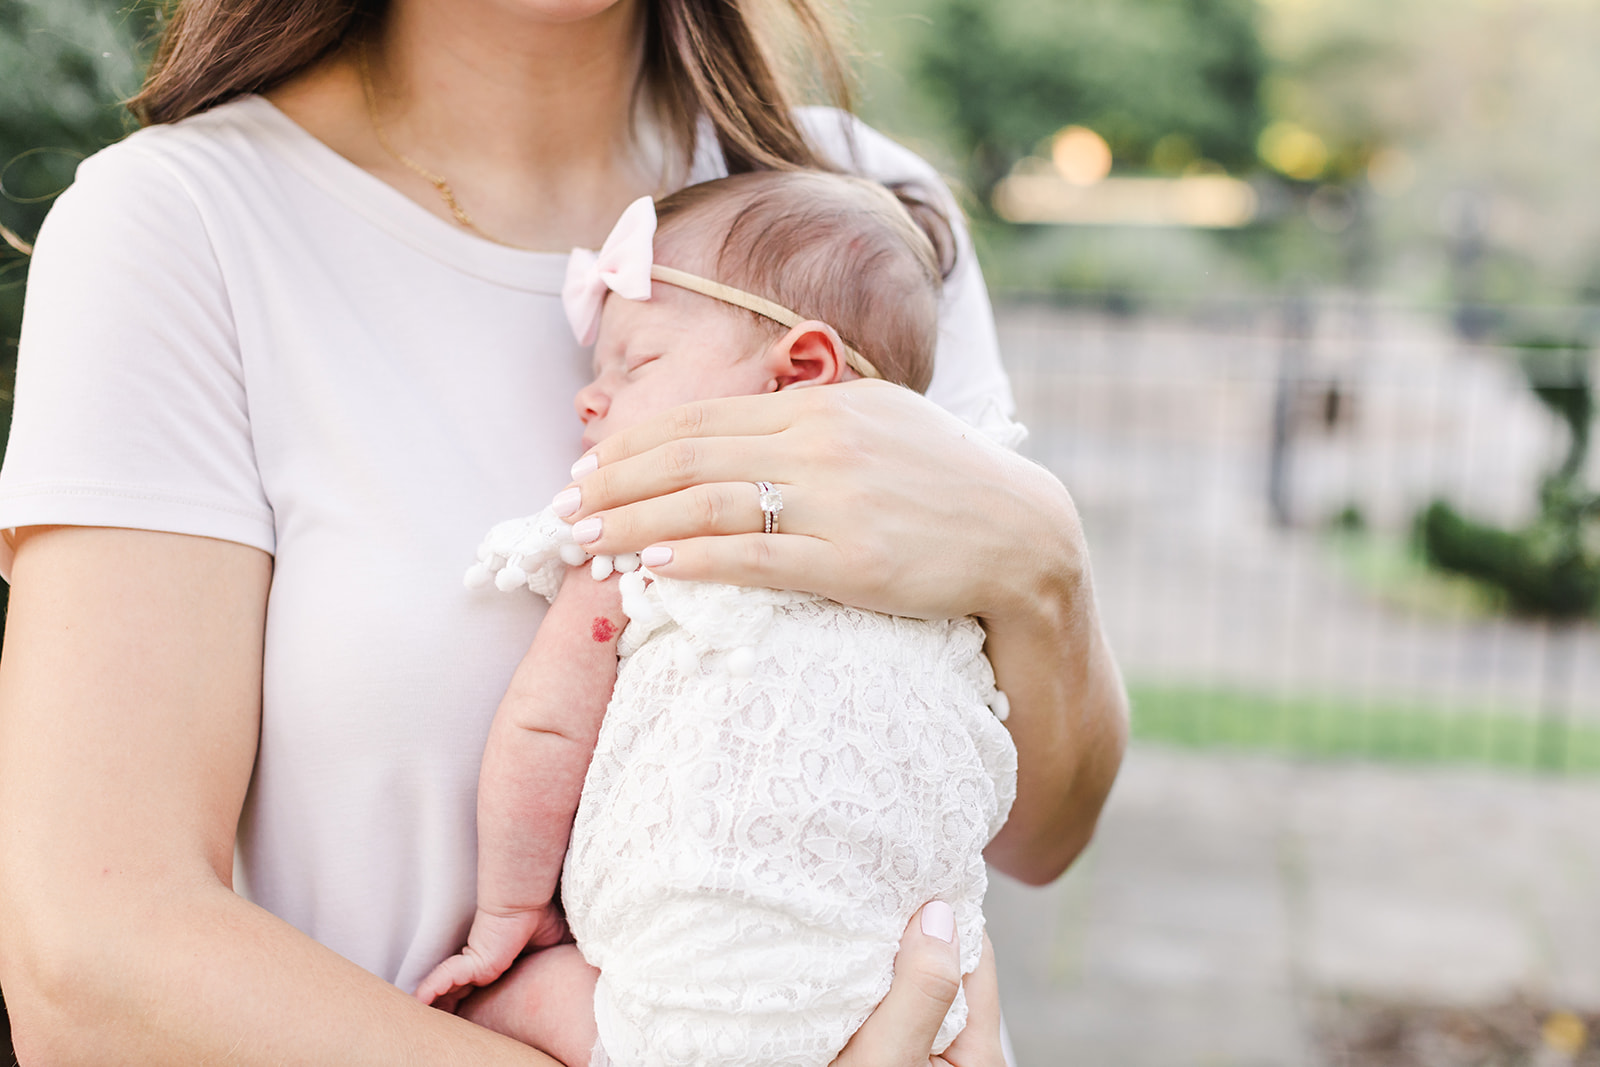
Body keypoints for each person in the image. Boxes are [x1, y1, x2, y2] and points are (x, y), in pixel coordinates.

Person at [0, 0, 1128, 1061]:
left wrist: (1042, 563)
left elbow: (1037, 833)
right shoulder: (185, 226)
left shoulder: (854, 210)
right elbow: (89, 965)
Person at [415, 173, 1019, 1067]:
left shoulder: (646, 533)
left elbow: (545, 727)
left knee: (507, 1004)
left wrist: (510, 914)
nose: (592, 396)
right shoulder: (931, 559)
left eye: (637, 363)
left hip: (669, 1007)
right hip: (886, 1001)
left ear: (798, 373)